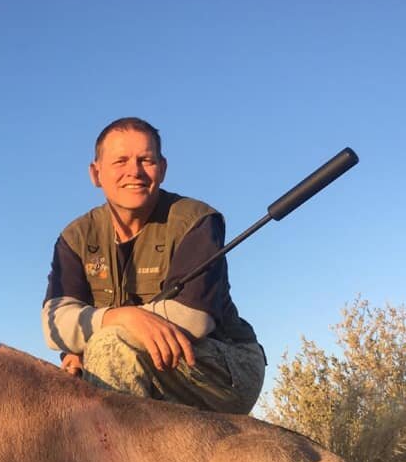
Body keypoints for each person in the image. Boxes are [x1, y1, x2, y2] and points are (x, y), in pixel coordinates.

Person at [42, 117, 265, 414]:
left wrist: (105, 331)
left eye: (145, 160)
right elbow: (56, 325)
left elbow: (193, 317)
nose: (134, 171)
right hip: (132, 358)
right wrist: (117, 322)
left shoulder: (196, 219)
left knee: (110, 347)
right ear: (96, 174)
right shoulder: (76, 236)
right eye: (120, 161)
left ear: (162, 168)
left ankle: (118, 460)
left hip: (224, 366)